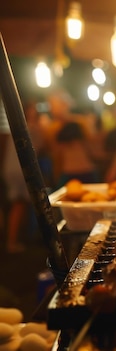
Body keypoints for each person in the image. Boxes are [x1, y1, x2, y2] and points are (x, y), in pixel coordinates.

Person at [2, 101, 44, 253]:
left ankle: (18, 238)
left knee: (19, 204)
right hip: (21, 170)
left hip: (10, 169)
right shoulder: (30, 129)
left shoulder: (12, 128)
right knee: (19, 204)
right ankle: (12, 242)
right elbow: (39, 146)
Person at [44, 89, 97, 187]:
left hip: (86, 170)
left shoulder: (81, 122)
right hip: (66, 172)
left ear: (65, 104)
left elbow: (92, 145)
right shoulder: (52, 128)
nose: (51, 109)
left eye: (54, 105)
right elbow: (53, 152)